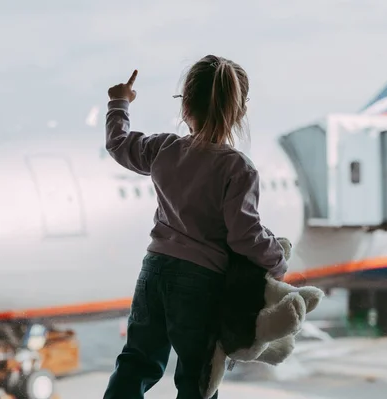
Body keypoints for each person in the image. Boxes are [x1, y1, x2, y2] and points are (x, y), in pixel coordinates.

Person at [102, 55, 288, 399]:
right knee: (197, 375)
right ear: (239, 112)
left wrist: (119, 102)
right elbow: (244, 234)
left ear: (186, 105)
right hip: (199, 283)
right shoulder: (237, 169)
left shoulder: (164, 149)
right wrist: (277, 258)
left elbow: (118, 144)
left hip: (154, 270)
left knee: (137, 361)